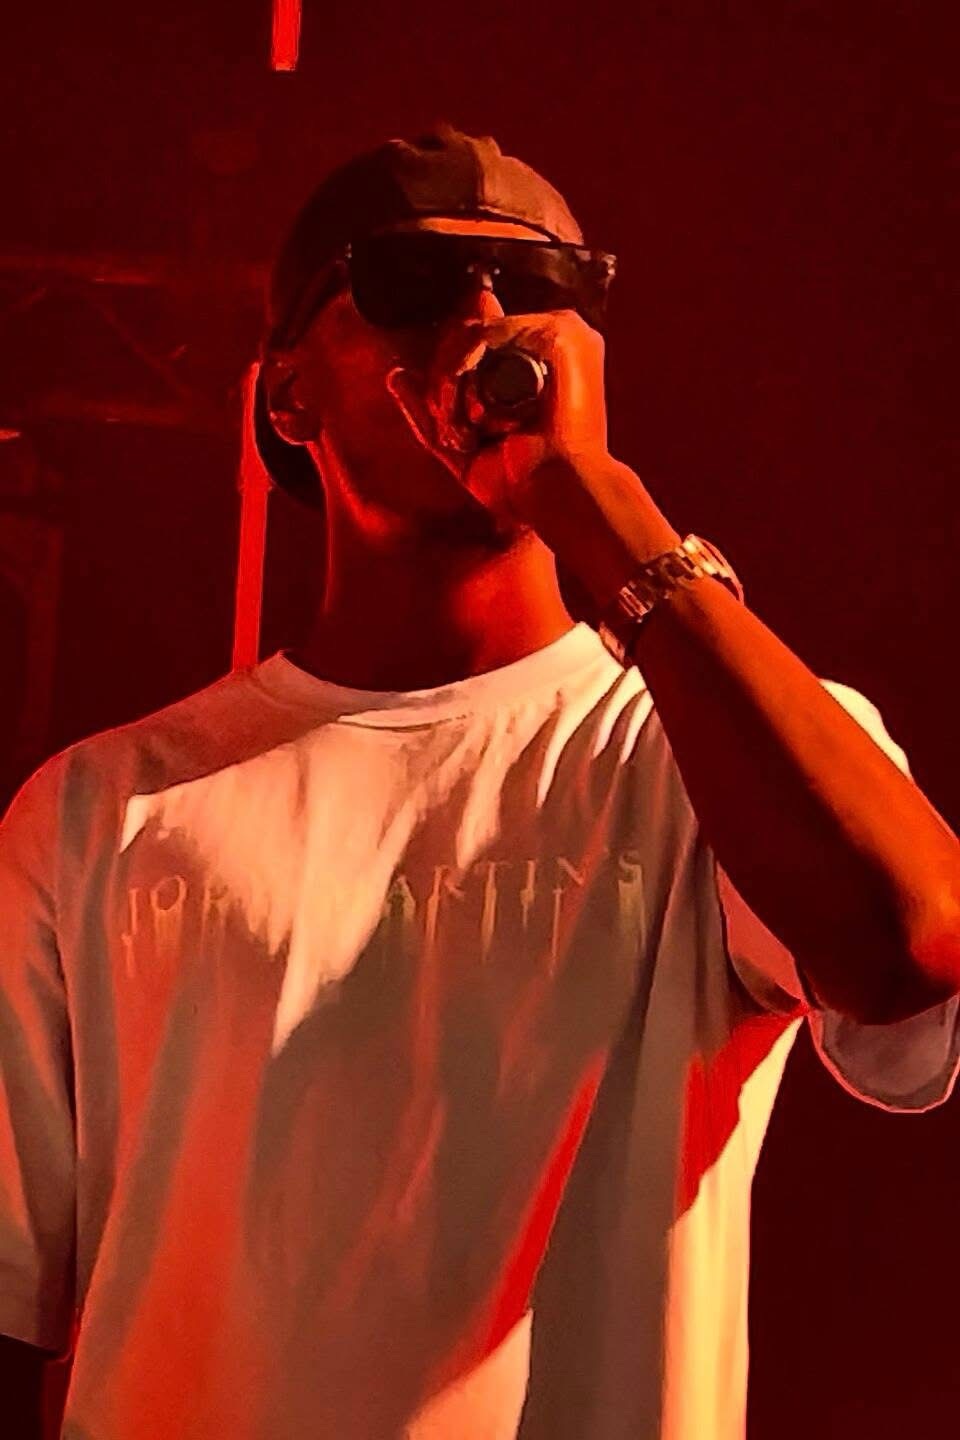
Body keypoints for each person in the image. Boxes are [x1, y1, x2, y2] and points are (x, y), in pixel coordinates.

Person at [1, 123, 959, 1440]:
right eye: (411, 284)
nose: (485, 321)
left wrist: (602, 509)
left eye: (540, 288)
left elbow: (913, 944)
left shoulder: (705, 751)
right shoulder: (100, 808)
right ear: (286, 396)